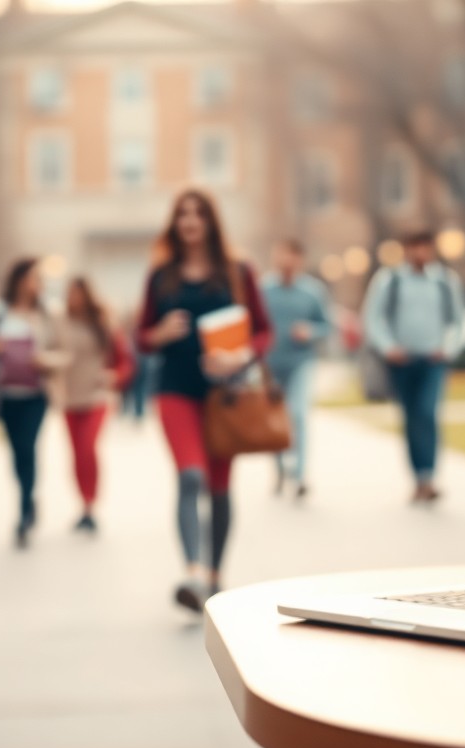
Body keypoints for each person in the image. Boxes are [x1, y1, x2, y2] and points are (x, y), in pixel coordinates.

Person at [136, 189, 272, 612]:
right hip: (175, 390)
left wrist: (242, 354)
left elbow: (264, 331)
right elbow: (140, 336)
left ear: (211, 221)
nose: (190, 221)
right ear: (174, 223)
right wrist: (158, 335)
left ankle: (215, 574)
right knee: (189, 476)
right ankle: (193, 573)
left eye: (198, 214)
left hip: (224, 395)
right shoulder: (161, 276)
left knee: (218, 487)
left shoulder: (238, 271)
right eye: (182, 214)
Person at [360, 230, 465, 504]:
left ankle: (429, 476)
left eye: (425, 248)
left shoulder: (445, 281)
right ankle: (417, 477)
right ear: (406, 250)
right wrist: (388, 347)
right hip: (402, 361)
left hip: (433, 360)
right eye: (414, 248)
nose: (420, 254)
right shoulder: (390, 280)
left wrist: (448, 348)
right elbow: (373, 318)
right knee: (410, 417)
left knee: (428, 413)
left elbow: (457, 321)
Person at [0, 257, 69, 548]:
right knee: (16, 453)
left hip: (36, 394)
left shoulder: (47, 314)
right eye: (32, 278)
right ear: (17, 279)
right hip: (5, 395)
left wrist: (44, 360)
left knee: (28, 448)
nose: (37, 284)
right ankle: (26, 497)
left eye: (40, 279)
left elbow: (64, 353)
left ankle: (25, 511)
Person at [59, 277, 132, 532]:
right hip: (69, 397)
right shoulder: (61, 323)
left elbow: (125, 362)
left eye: (77, 293)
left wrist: (116, 376)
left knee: (88, 447)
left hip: (97, 396)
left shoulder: (104, 323)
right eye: (70, 293)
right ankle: (83, 505)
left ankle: (92, 503)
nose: (73, 299)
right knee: (77, 453)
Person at [261, 239, 332, 499]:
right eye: (283, 256)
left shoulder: (313, 292)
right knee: (274, 420)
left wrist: (310, 331)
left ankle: (300, 475)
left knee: (298, 414)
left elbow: (327, 326)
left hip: (302, 361)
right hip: (270, 366)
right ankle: (280, 469)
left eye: (293, 257)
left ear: (301, 260)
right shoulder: (262, 290)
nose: (287, 262)